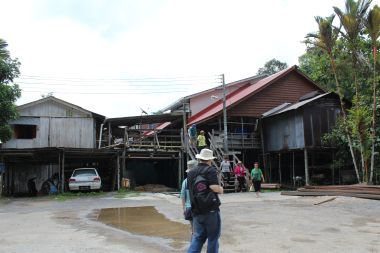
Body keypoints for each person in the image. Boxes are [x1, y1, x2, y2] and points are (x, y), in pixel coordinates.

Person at [187, 148, 223, 253]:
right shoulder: (210, 169)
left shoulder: (191, 172)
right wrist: (221, 189)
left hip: (196, 210)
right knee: (213, 238)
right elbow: (214, 187)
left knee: (198, 237)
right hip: (210, 210)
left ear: (200, 159)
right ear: (209, 160)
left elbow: (190, 190)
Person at [181, 160, 198, 235]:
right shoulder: (199, 180)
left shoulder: (185, 181)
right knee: (197, 228)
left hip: (189, 208)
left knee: (192, 228)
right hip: (198, 208)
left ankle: (193, 241)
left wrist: (184, 208)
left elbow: (183, 196)